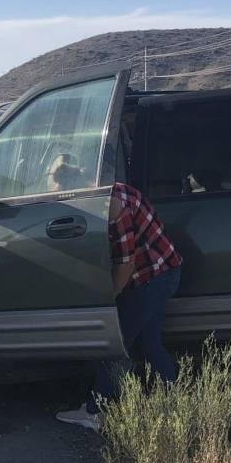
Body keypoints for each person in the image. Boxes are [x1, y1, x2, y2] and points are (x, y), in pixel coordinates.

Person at [55, 182, 183, 431]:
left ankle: (95, 411)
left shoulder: (115, 208)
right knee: (149, 342)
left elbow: (126, 264)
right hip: (167, 270)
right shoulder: (116, 190)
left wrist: (109, 298)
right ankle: (175, 402)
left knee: (117, 344)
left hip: (151, 279)